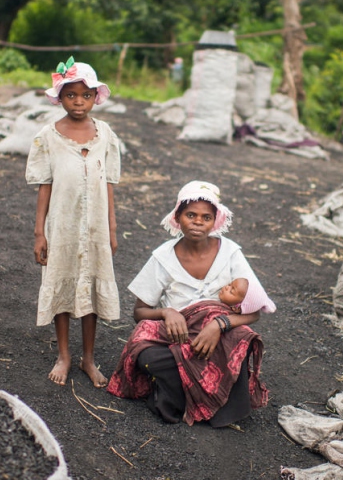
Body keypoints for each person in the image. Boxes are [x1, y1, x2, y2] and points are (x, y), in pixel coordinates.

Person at [107, 180, 275, 427]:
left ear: (215, 221)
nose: (198, 221)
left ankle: (188, 400)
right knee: (146, 354)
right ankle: (183, 397)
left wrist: (219, 324)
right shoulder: (163, 257)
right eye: (191, 215)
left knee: (243, 338)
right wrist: (167, 312)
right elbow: (139, 312)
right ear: (178, 217)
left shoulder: (230, 253)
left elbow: (254, 313)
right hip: (177, 335)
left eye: (206, 217)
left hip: (215, 334)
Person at [26, 56, 121, 388]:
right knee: (63, 285)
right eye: (71, 95)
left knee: (92, 289)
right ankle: (64, 355)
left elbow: (108, 183)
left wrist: (110, 227)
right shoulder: (48, 136)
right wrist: (40, 232)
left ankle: (88, 358)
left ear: (96, 97)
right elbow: (45, 185)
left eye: (85, 95)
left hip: (94, 229)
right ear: (59, 98)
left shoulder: (105, 135)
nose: (78, 102)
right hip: (62, 228)